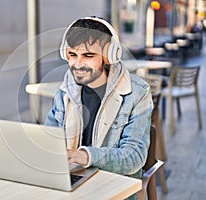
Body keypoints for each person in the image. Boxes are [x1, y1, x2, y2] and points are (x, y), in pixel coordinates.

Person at [44, 16, 153, 197]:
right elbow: (48, 139)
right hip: (71, 183)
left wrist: (87, 156)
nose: (78, 64)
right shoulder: (65, 91)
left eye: (88, 55)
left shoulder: (138, 93)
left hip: (114, 189)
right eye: (72, 55)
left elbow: (134, 158)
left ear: (109, 56)